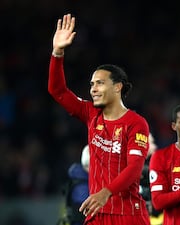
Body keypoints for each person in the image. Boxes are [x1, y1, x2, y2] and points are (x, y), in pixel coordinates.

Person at [49, 14, 150, 225]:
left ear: (117, 87)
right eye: (92, 84)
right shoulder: (90, 114)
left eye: (99, 83)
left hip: (127, 215)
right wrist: (57, 52)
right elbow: (57, 90)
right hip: (96, 214)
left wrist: (106, 192)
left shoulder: (136, 123)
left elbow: (134, 169)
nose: (93, 89)